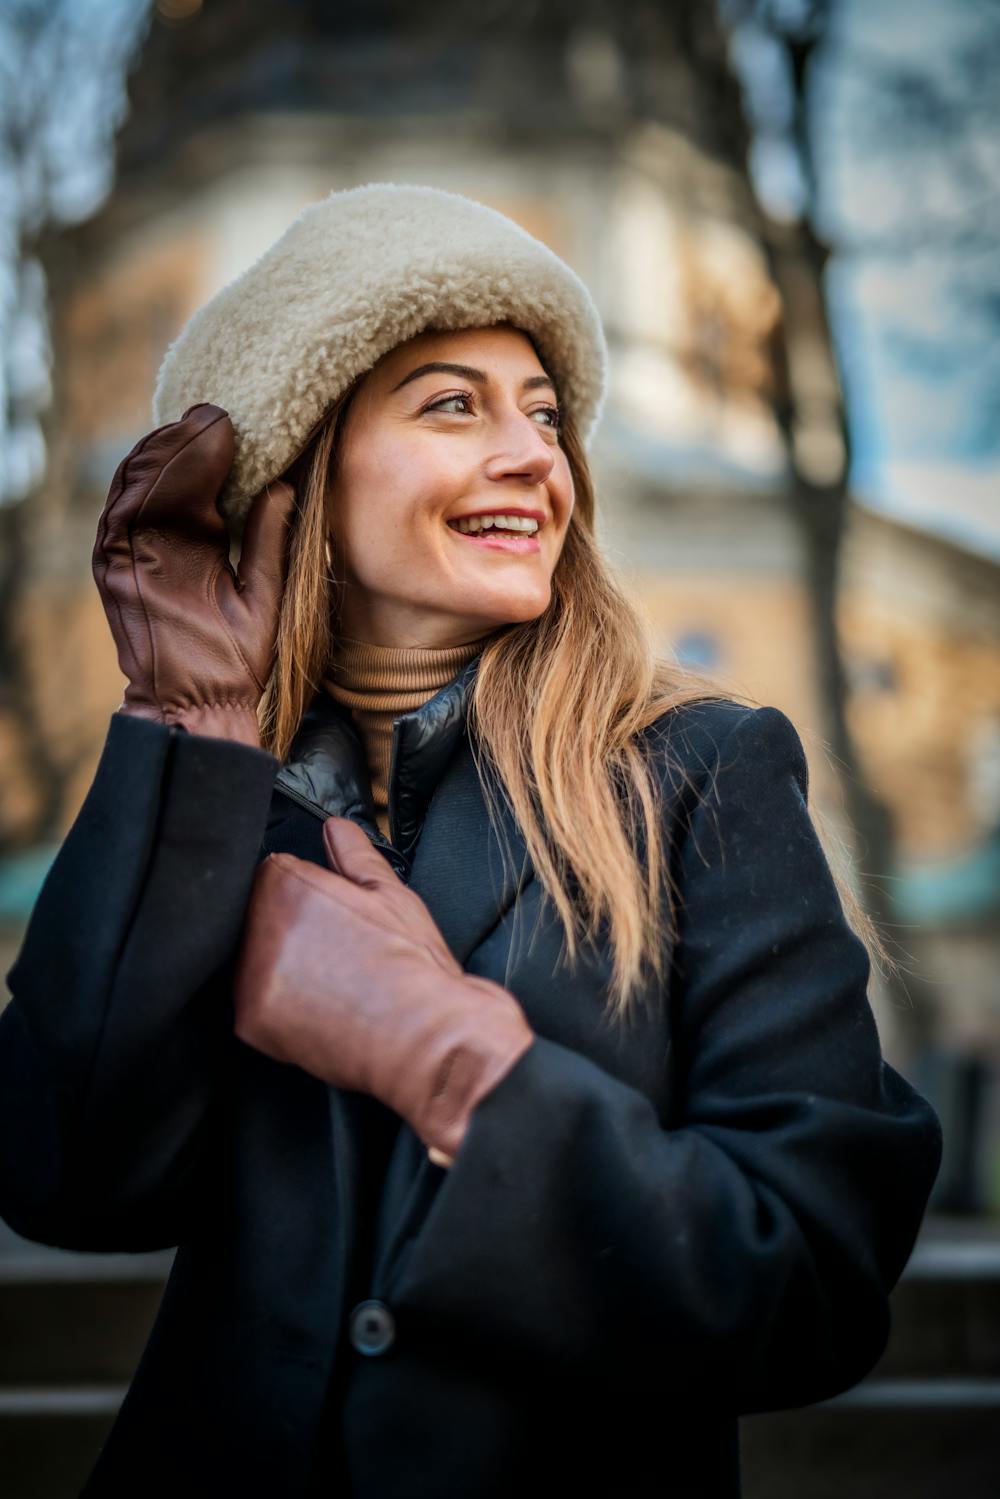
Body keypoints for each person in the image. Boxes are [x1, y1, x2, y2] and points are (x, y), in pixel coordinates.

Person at [0, 183, 942, 1498]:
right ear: (303, 469)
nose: (534, 457)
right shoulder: (217, 798)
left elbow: (810, 1277)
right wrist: (187, 723)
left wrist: (446, 1060)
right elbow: (69, 1179)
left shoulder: (700, 777)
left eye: (545, 414)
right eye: (453, 405)